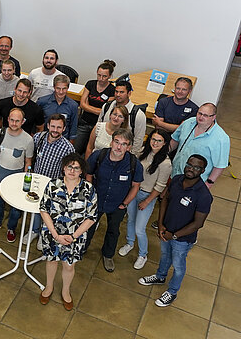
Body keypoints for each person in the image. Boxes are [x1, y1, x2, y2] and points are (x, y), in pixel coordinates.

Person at [138, 154, 212, 307]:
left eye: (196, 167)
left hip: (182, 239)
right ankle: (160, 276)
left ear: (203, 171)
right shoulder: (177, 180)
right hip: (166, 230)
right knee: (165, 255)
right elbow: (165, 199)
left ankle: (172, 292)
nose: (191, 169)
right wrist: (160, 224)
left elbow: (198, 223)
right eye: (189, 165)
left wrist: (175, 236)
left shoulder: (204, 195)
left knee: (178, 265)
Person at [39, 153, 97, 310]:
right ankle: (49, 287)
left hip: (75, 238)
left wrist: (73, 236)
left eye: (76, 168)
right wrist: (55, 234)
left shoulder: (88, 189)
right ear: (64, 168)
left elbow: (91, 217)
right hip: (52, 234)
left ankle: (66, 291)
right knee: (51, 260)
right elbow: (43, 209)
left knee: (69, 266)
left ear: (81, 171)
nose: (72, 171)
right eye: (69, 167)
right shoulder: (53, 185)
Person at [86, 128, 144, 272]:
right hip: (96, 201)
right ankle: (82, 248)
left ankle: (108, 255)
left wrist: (124, 204)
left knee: (113, 230)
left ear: (129, 147)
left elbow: (135, 186)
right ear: (111, 142)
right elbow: (88, 174)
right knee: (88, 226)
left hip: (118, 204)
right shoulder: (99, 156)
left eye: (124, 144)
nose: (119, 147)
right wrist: (90, 194)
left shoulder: (134, 164)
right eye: (117, 142)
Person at [118, 129, 172, 269]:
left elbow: (160, 186)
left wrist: (147, 201)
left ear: (164, 143)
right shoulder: (143, 152)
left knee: (140, 228)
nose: (155, 143)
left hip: (147, 196)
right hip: (133, 192)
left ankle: (143, 254)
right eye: (153, 139)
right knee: (130, 220)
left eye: (159, 141)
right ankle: (129, 243)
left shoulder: (165, 163)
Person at [0, 108, 35, 241]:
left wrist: (26, 178)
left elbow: (28, 161)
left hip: (16, 179)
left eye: (17, 121)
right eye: (12, 120)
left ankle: (11, 227)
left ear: (23, 122)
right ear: (7, 119)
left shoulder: (28, 140)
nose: (14, 123)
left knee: (16, 208)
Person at [25, 114, 75, 244]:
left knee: (49, 211)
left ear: (64, 128)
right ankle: (34, 230)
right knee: (36, 208)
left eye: (59, 127)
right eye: (53, 126)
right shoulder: (38, 137)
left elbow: (70, 170)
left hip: (53, 186)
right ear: (48, 126)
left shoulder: (68, 148)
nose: (55, 130)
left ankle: (44, 235)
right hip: (36, 181)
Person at [169, 103, 229, 189]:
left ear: (213, 117)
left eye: (205, 115)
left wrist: (208, 184)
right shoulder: (188, 123)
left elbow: (220, 166)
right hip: (174, 174)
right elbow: (175, 140)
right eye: (199, 113)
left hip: (194, 184)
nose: (201, 117)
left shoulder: (221, 138)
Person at [75, 60, 116, 154]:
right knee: (76, 148)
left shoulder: (112, 90)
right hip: (84, 122)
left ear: (110, 76)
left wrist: (88, 107)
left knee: (93, 150)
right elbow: (82, 104)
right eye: (99, 75)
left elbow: (106, 111)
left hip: (99, 125)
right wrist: (98, 110)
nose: (101, 79)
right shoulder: (90, 84)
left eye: (104, 76)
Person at [98, 80, 147, 156]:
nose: (118, 95)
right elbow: (99, 126)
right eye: (116, 91)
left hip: (123, 154)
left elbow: (138, 139)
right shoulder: (106, 106)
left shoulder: (138, 115)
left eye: (121, 92)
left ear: (129, 93)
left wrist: (130, 156)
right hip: (101, 148)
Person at [36, 74, 78, 140]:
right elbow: (36, 123)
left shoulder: (73, 105)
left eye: (64, 89)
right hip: (45, 138)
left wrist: (71, 142)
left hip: (63, 139)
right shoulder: (42, 102)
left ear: (68, 88)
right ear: (54, 87)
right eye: (58, 88)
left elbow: (73, 127)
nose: (61, 92)